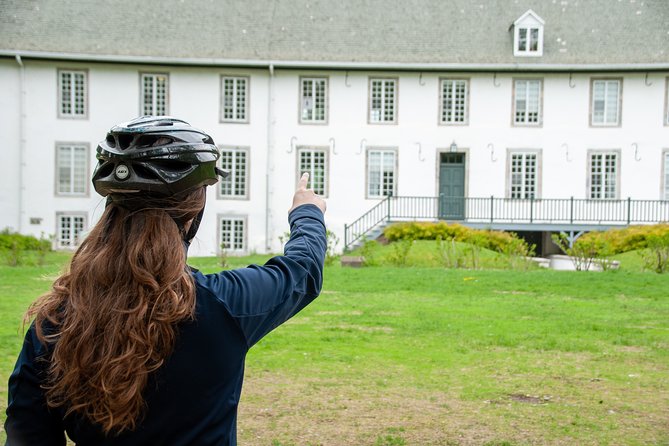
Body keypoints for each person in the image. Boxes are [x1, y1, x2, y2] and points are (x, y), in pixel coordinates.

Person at [5, 116, 327, 445]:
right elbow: (303, 270)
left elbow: (26, 434)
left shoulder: (56, 319)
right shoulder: (223, 306)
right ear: (193, 210)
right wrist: (307, 211)